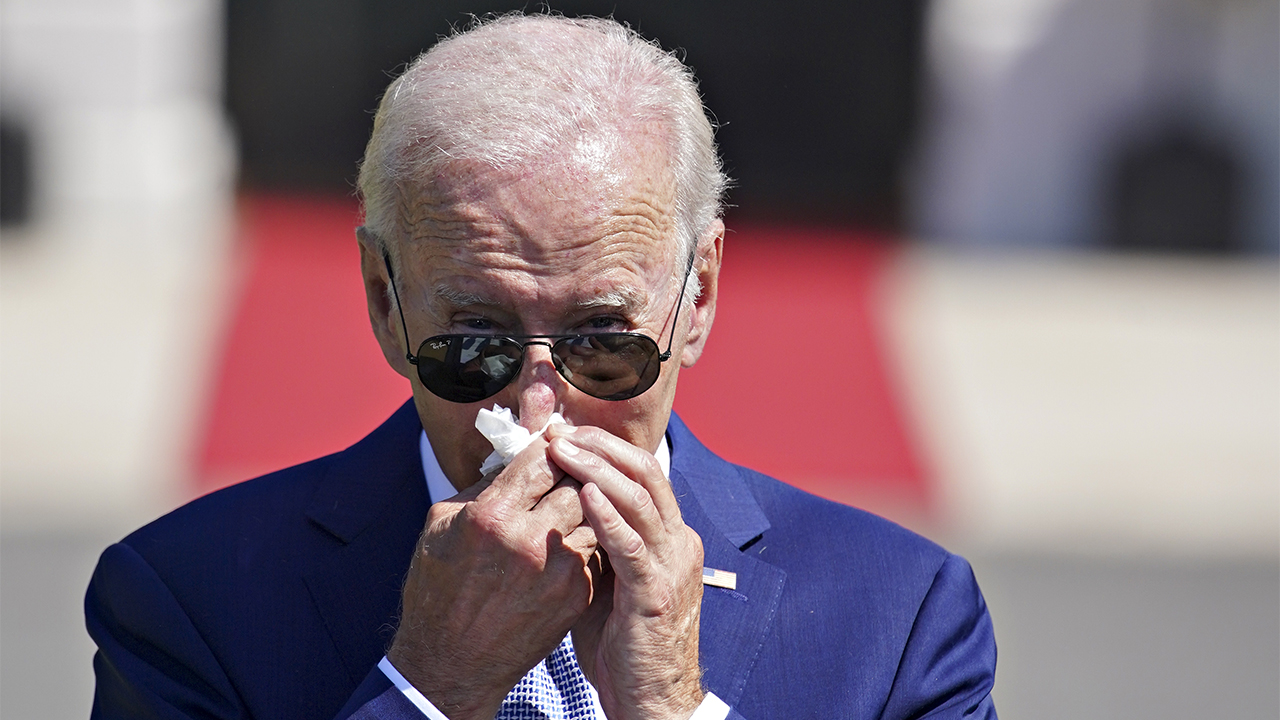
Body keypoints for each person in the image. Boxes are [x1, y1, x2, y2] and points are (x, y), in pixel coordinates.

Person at [85, 14, 997, 720]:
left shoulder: (898, 620)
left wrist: (672, 706)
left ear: (700, 295)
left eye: (603, 341)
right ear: (383, 299)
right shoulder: (192, 597)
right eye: (474, 342)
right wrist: (428, 687)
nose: (538, 406)